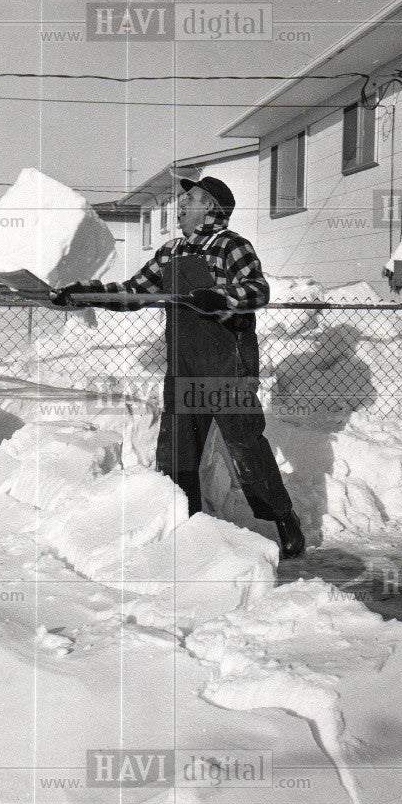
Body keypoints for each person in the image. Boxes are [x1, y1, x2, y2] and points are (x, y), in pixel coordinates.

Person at [54, 176, 305, 559]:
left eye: (190, 199)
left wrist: (217, 296)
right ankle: (188, 525)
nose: (181, 205)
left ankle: (284, 520)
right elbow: (134, 291)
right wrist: (82, 294)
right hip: (183, 366)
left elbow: (257, 290)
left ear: (211, 208)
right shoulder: (170, 252)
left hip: (227, 366)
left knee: (244, 445)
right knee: (177, 450)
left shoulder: (231, 246)